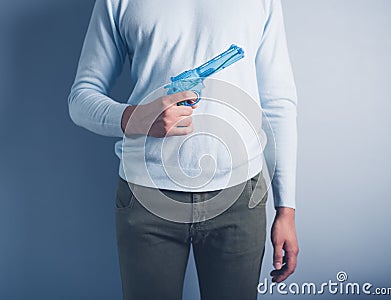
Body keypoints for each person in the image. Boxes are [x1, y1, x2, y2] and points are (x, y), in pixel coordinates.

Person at [68, 0, 299, 299]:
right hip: (145, 195)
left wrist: (287, 210)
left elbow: (278, 104)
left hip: (240, 198)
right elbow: (80, 99)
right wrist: (136, 118)